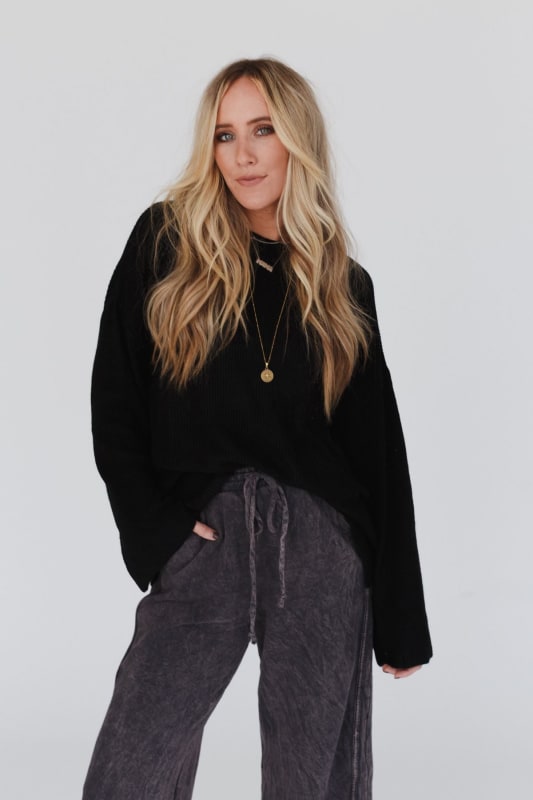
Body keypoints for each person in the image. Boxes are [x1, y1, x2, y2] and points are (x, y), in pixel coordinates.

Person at [82, 57, 432, 800]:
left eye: (262, 130)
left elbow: (378, 451)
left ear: (296, 139)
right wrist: (156, 530)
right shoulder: (166, 244)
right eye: (224, 135)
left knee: (315, 782)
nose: (242, 154)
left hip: (320, 552)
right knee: (130, 771)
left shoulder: (342, 284)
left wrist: (401, 615)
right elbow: (115, 399)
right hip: (203, 539)